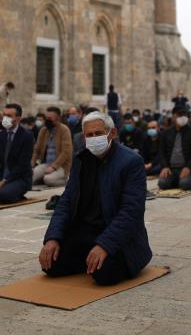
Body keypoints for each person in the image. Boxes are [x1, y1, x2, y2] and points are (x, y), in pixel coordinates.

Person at [38, 111, 152, 286]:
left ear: (112, 133)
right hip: (85, 230)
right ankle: (88, 258)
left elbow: (131, 212)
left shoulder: (131, 161)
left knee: (103, 274)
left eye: (98, 133)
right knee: (50, 264)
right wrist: (53, 237)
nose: (93, 138)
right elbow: (66, 201)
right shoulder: (81, 159)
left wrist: (105, 245)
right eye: (89, 135)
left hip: (117, 234)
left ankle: (97, 259)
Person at [156, 104, 191, 191]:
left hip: (187, 168)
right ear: (173, 117)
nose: (183, 117)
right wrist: (165, 166)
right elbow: (161, 151)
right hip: (171, 168)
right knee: (162, 183)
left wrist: (188, 167)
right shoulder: (166, 132)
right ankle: (176, 180)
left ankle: (183, 180)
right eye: (179, 115)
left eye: (185, 115)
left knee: (185, 184)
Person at [32, 107, 72, 188]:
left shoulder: (64, 130)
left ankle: (67, 179)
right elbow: (36, 149)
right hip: (46, 164)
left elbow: (65, 152)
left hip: (61, 166)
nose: (47, 120)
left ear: (58, 118)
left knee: (48, 179)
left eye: (49, 118)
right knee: (30, 177)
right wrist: (31, 165)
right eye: (46, 118)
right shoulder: (44, 130)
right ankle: (42, 178)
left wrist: (53, 167)